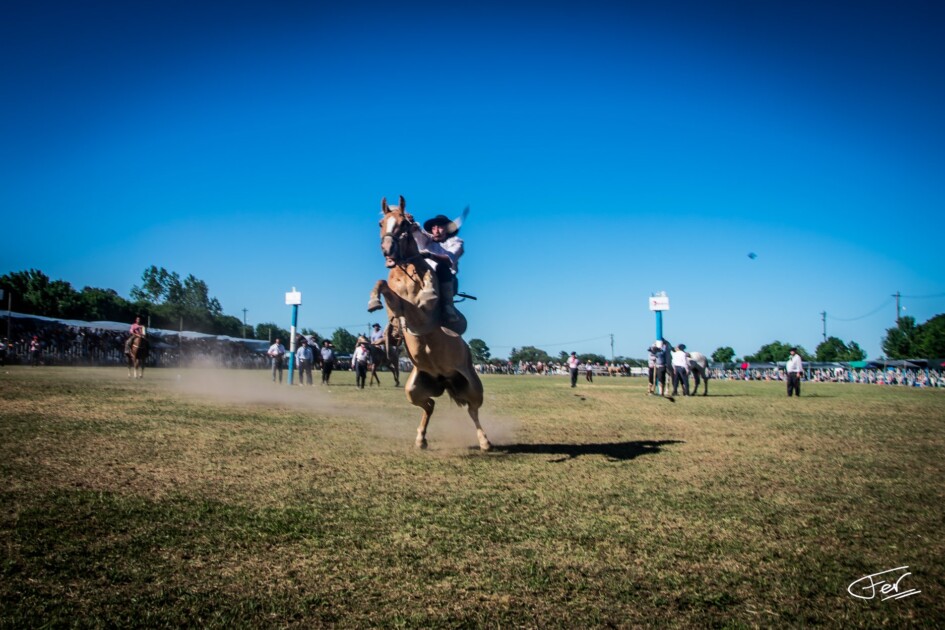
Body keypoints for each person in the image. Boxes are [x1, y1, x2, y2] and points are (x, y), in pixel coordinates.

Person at [410, 213, 464, 324]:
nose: (436, 230)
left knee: (442, 267)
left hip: (445, 280)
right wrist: (411, 223)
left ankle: (448, 307)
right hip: (424, 276)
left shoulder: (456, 242)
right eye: (434, 228)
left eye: (440, 227)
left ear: (448, 229)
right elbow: (417, 233)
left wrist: (430, 255)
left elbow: (449, 260)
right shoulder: (427, 240)